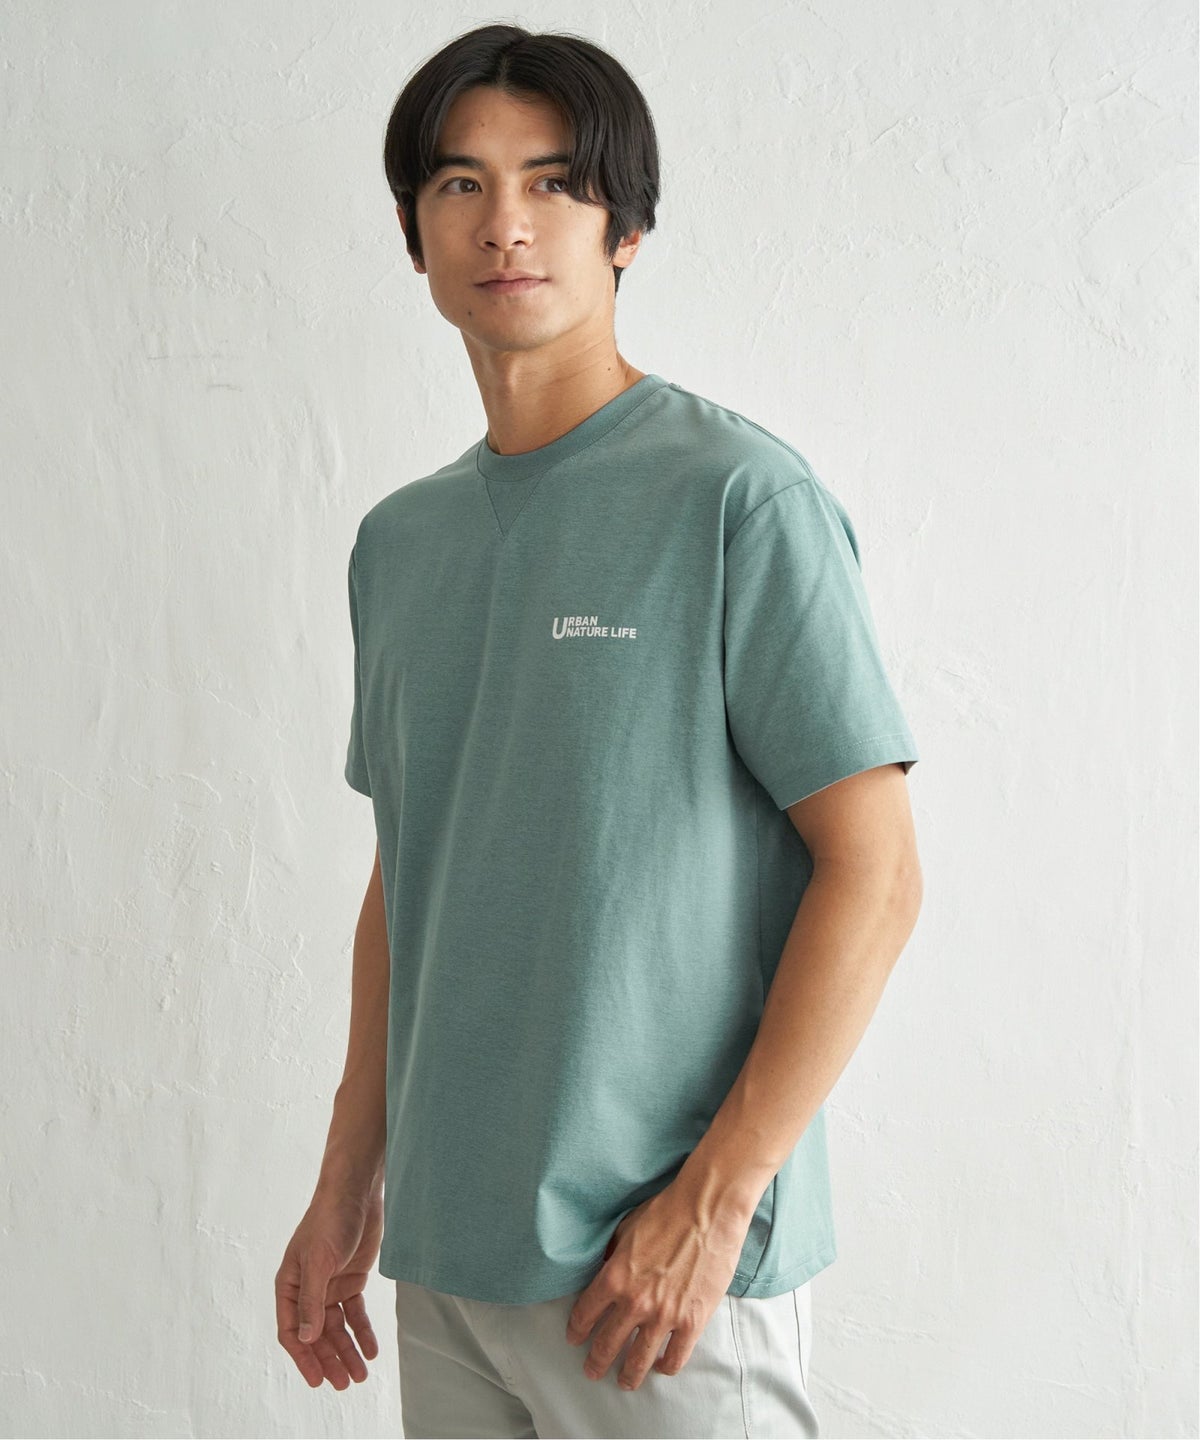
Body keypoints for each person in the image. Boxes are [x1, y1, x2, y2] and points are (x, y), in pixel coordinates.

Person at [275, 22, 923, 1440]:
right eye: (461, 184)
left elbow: (876, 872)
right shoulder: (400, 543)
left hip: (658, 1279)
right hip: (451, 1257)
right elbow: (412, 874)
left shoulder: (737, 500)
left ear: (626, 228)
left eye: (556, 184)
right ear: (412, 232)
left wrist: (717, 1200)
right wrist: (346, 1184)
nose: (505, 224)